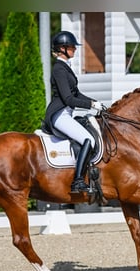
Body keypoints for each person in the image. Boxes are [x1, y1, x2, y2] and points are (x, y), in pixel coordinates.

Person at [43, 31, 104, 193]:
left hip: (67, 113)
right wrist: (90, 104)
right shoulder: (59, 69)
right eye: (71, 47)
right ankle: (77, 181)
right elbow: (69, 99)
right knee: (88, 139)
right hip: (59, 115)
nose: (74, 49)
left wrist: (96, 103)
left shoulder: (65, 67)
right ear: (62, 49)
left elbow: (76, 94)